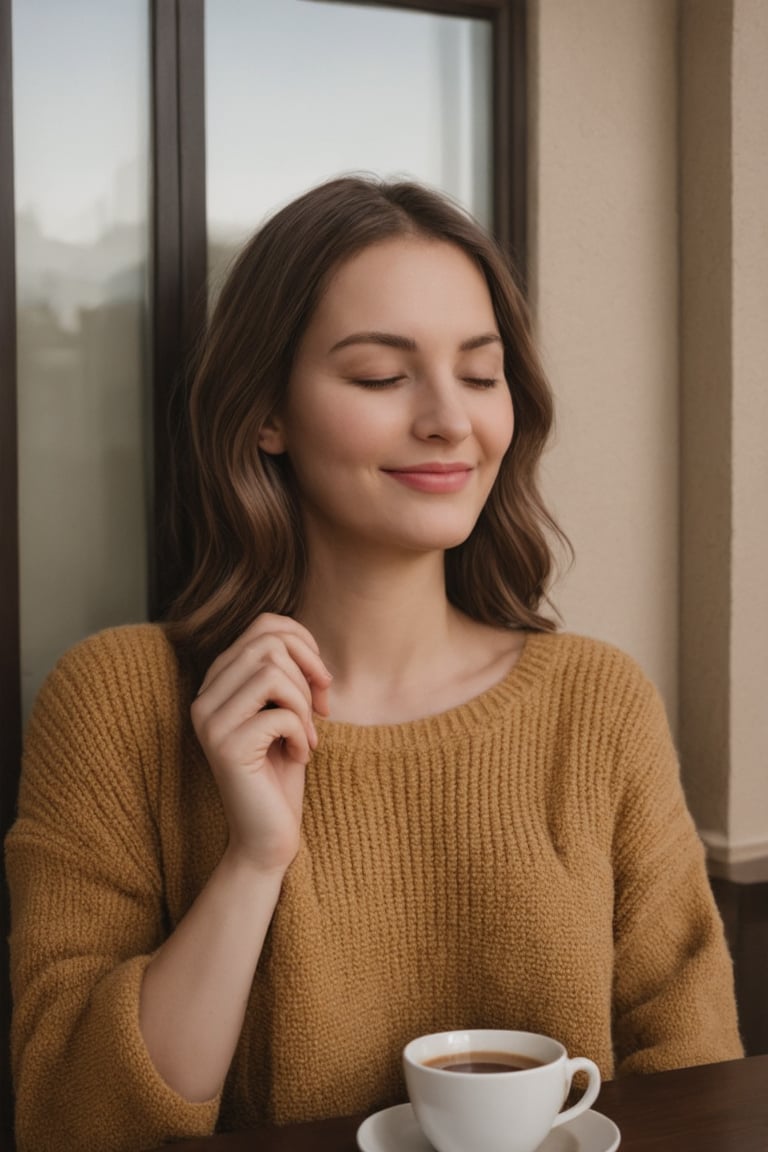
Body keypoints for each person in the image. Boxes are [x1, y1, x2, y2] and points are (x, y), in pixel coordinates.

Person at [6, 176, 742, 1152]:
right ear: (266, 411)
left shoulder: (596, 704)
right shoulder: (118, 701)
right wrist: (254, 859)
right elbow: (72, 1124)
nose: (449, 420)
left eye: (481, 375)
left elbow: (696, 1084)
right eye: (381, 377)